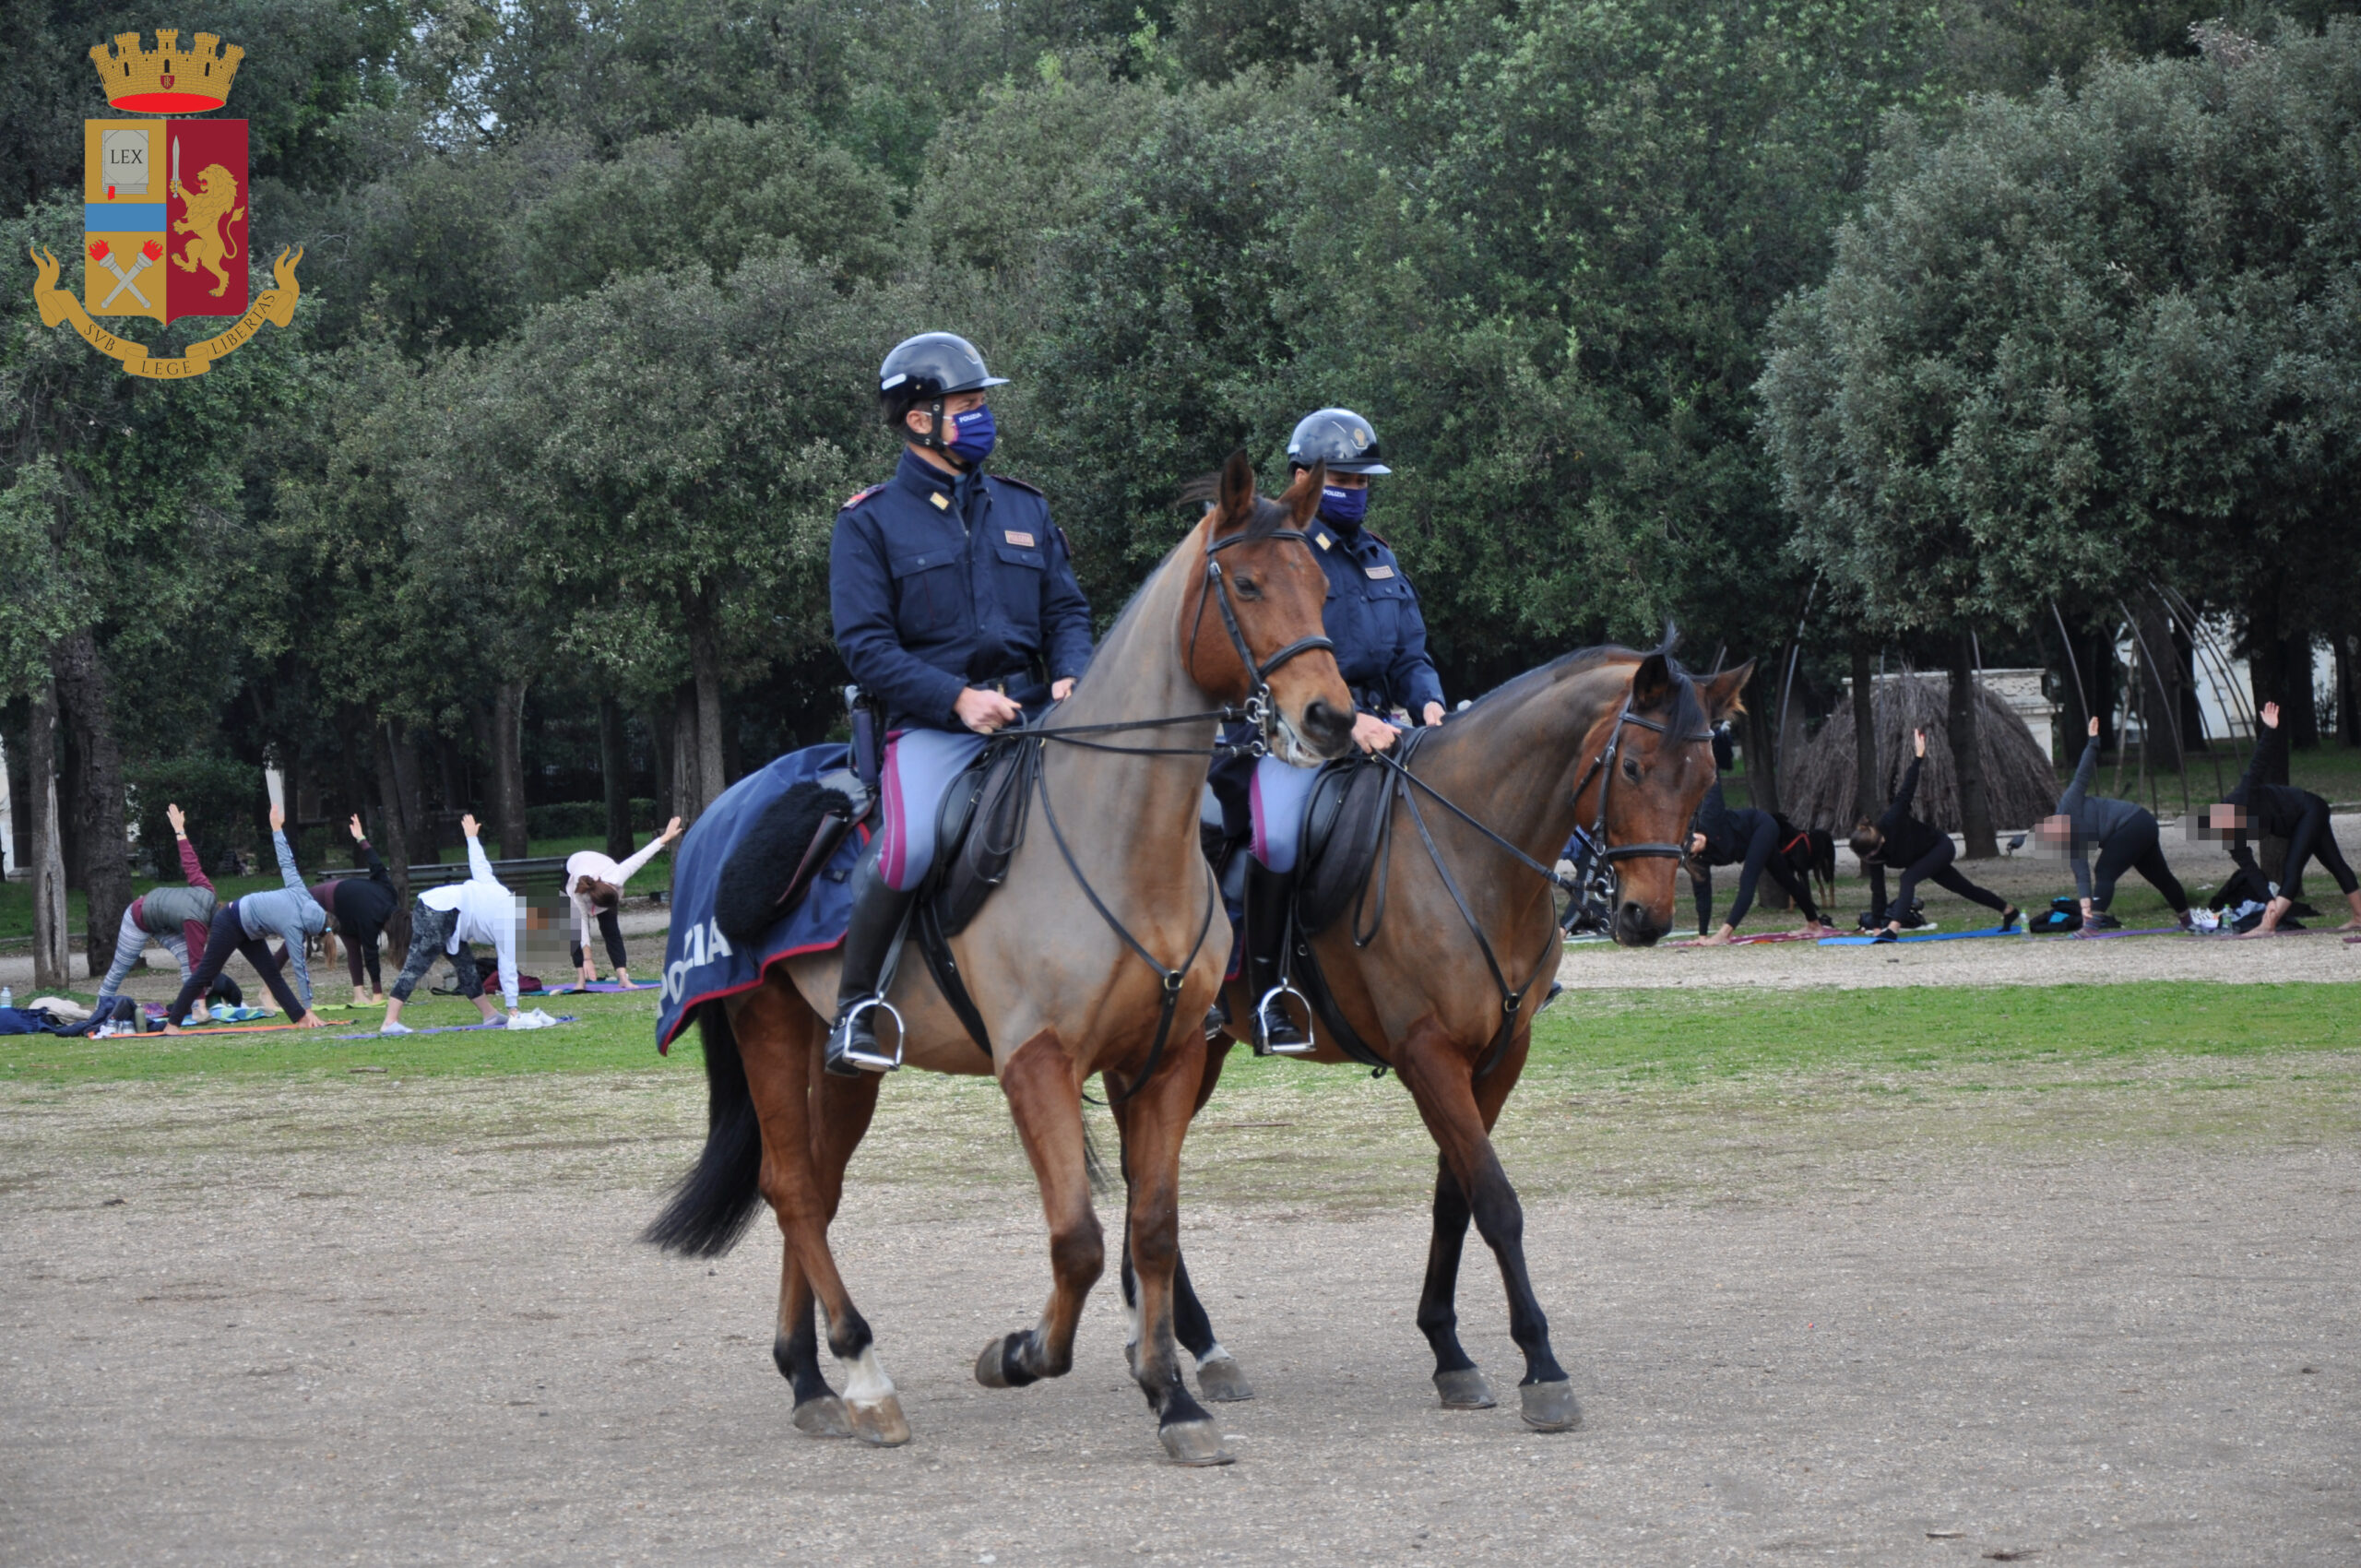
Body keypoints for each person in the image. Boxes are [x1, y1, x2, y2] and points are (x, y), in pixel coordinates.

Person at [825, 331, 1093, 1075]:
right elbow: (866, 648)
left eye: (981, 403)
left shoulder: (1024, 507)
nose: (982, 416)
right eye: (967, 404)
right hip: (932, 727)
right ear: (920, 419)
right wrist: (957, 700)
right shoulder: (869, 522)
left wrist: (1073, 671)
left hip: (1039, 715)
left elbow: (1066, 611)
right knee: (907, 849)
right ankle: (857, 1011)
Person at [1207, 408, 1445, 1051]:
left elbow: (1410, 656)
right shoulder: (1283, 554)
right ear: (1304, 477)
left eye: (1365, 482)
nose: (1356, 493)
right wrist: (1352, 722)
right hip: (1298, 737)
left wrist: (1428, 703)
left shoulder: (1379, 558)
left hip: (1387, 730)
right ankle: (1263, 997)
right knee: (1278, 838)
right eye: (1343, 479)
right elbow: (1276, 658)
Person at [160, 804, 330, 1033]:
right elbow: (300, 969)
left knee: (271, 973)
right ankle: (173, 1024)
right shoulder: (294, 926)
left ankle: (299, 1018)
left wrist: (277, 829)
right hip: (230, 920)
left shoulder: (303, 893)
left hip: (251, 928)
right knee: (205, 973)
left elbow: (287, 862)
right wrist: (310, 1008)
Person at [1849, 729, 2020, 942]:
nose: (1870, 859)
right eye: (1866, 858)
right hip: (1923, 859)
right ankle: (2008, 910)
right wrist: (1875, 928)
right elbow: (1878, 890)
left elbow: (1906, 790)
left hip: (1939, 847)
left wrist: (1918, 757)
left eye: (1871, 854)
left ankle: (1894, 929)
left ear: (1880, 840)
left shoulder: (1892, 820)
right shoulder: (1872, 853)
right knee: (1965, 889)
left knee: (1907, 878)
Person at [2208, 701, 2361, 935]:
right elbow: (2250, 869)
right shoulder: (2231, 837)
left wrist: (2270, 728)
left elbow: (2258, 763)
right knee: (2334, 863)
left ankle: (2268, 925)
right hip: (2299, 820)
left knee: (2292, 868)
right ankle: (2359, 917)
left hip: (2309, 809)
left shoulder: (2242, 796)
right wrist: (2268, 898)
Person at [2037, 716, 2192, 931]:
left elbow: (2082, 773)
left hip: (2134, 822)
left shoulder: (2069, 804)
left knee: (2104, 871)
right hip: (2140, 826)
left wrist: (2093, 741)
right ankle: (2187, 921)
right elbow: (2081, 876)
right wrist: (2084, 908)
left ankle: (2093, 927)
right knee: (2160, 876)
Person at [380, 814, 523, 1034]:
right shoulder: (510, 924)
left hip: (445, 912)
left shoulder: (500, 891)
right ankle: (390, 1021)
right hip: (440, 911)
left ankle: (490, 1014)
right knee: (417, 964)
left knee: (466, 966)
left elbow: (480, 866)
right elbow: (508, 967)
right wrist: (513, 1009)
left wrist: (472, 838)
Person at [91, 802, 219, 1025]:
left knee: (186, 959)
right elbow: (197, 962)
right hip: (138, 918)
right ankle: (100, 1006)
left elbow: (191, 864)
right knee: (120, 967)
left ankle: (194, 1006)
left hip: (164, 922)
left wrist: (180, 831)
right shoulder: (196, 923)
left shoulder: (208, 892)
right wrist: (202, 1002)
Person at [1687, 755, 1833, 944]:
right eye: (1692, 844)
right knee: (1786, 879)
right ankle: (1814, 923)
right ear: (1695, 853)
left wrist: (1705, 757)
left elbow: (1714, 785)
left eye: (1693, 836)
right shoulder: (1699, 862)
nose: (1696, 838)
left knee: (1747, 879)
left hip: (1762, 825)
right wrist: (1702, 936)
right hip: (1750, 842)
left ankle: (1725, 934)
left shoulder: (1709, 818)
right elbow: (1702, 895)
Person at [565, 816, 683, 986]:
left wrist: (666, 837)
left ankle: (623, 978)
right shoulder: (577, 891)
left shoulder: (617, 875)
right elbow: (581, 925)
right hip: (571, 868)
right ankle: (581, 980)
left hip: (599, 867)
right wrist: (588, 958)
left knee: (611, 928)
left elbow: (641, 857)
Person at [301, 815, 400, 1005]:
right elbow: (371, 953)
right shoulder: (373, 917)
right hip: (324, 897)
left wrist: (362, 839)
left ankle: (358, 994)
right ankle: (266, 990)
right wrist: (361, 839)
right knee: (292, 936)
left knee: (353, 945)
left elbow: (378, 868)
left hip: (346, 906)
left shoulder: (389, 897)